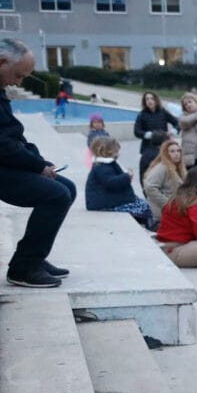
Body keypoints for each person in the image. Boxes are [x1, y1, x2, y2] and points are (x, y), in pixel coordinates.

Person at [0, 39, 75, 288]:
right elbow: (4, 145)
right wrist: (36, 166)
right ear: (2, 63)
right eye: (18, 75)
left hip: (7, 161)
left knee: (67, 188)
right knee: (56, 195)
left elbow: (14, 136)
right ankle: (23, 269)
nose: (18, 82)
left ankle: (33, 256)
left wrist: (41, 162)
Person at [85, 137, 152, 228]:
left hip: (108, 199)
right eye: (116, 151)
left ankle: (147, 222)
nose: (118, 154)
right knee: (142, 207)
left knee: (142, 204)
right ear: (107, 151)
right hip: (103, 202)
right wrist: (127, 177)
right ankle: (149, 224)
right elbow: (110, 182)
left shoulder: (106, 164)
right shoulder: (101, 166)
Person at [134, 91, 179, 187]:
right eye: (147, 99)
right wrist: (149, 135)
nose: (150, 101)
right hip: (148, 148)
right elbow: (137, 131)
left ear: (156, 100)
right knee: (147, 172)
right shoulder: (142, 115)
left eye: (152, 98)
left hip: (163, 147)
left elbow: (177, 122)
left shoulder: (163, 112)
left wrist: (173, 131)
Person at [143, 139, 187, 223]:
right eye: (172, 151)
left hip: (175, 210)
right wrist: (166, 204)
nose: (176, 154)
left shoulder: (180, 168)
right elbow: (149, 187)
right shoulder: (162, 167)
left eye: (178, 151)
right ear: (166, 153)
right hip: (164, 213)